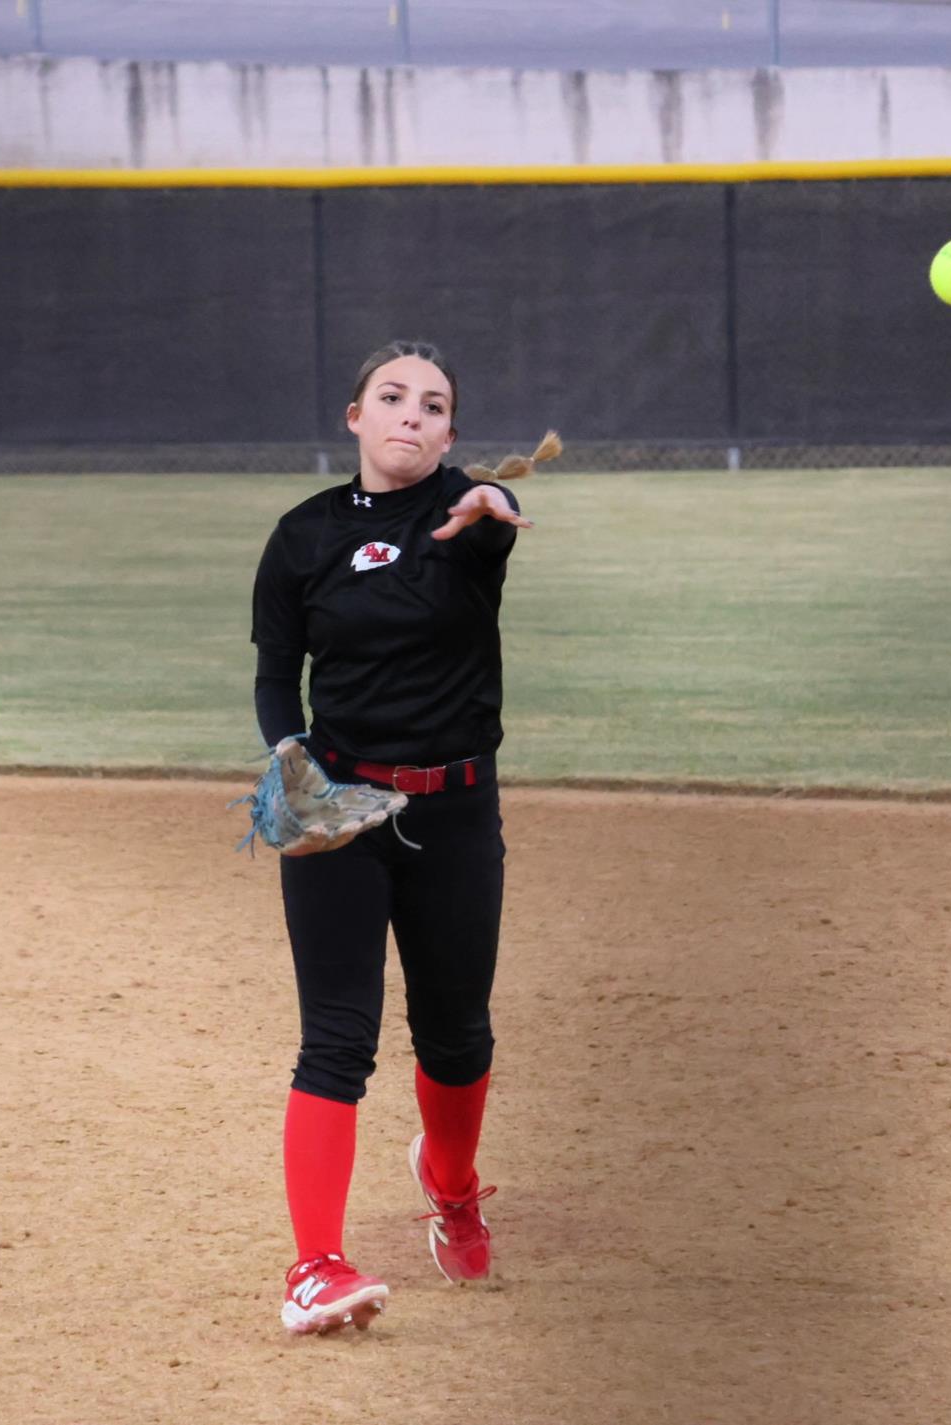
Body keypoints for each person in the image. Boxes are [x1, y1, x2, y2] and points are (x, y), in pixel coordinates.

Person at [248, 339, 546, 1337]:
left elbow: (489, 528)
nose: (411, 415)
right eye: (393, 398)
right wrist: (288, 757)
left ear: (451, 434)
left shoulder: (469, 514)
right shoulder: (302, 537)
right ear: (356, 418)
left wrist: (484, 517)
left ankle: (449, 1182)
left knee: (456, 1035)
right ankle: (314, 1267)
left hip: (455, 808)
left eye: (432, 405)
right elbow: (273, 675)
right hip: (339, 811)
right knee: (336, 1038)